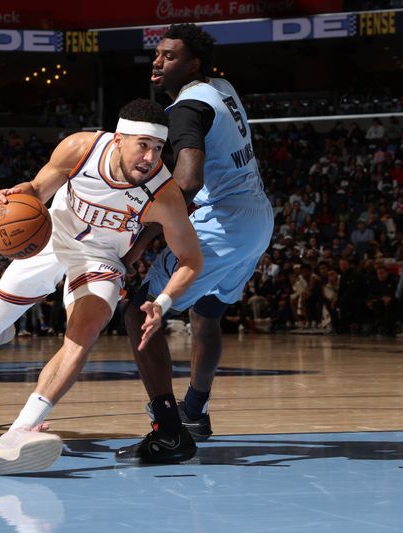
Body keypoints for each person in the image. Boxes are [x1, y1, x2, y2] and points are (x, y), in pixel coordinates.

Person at [0, 98, 202, 474]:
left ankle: (22, 428)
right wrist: (6, 197)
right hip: (53, 235)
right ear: (118, 139)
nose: (150, 157)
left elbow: (191, 260)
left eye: (157, 148)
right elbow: (36, 190)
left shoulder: (163, 195)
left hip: (101, 259)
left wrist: (164, 301)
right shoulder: (80, 148)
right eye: (143, 145)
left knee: (84, 333)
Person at [115, 24, 273, 464]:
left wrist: (141, 241)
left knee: (136, 309)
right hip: (257, 219)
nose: (157, 61)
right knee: (207, 315)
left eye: (169, 56)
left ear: (192, 64)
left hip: (222, 223)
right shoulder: (221, 87)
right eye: (157, 54)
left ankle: (168, 431)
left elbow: (187, 182)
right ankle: (195, 413)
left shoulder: (186, 108)